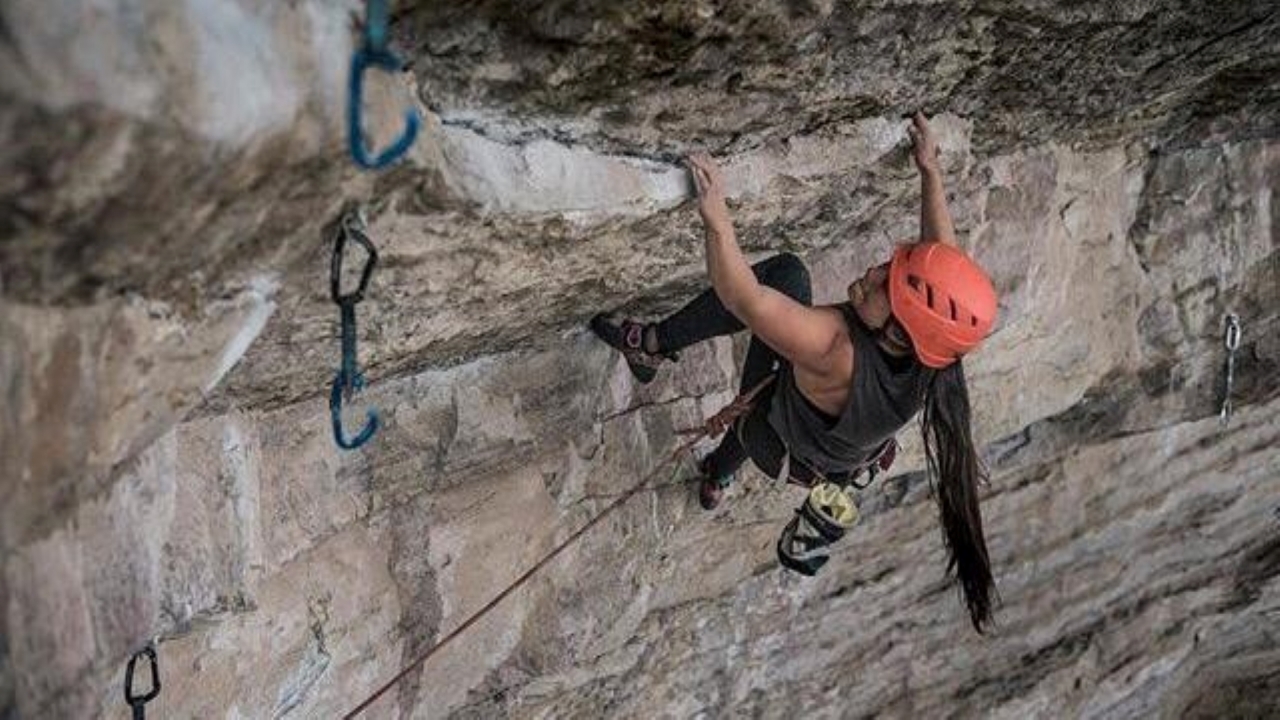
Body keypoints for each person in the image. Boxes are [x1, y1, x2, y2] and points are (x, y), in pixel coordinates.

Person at [590, 112, 998, 632]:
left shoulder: (834, 347)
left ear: (899, 331)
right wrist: (929, 172)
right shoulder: (935, 355)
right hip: (820, 453)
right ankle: (717, 474)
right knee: (767, 410)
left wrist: (716, 216)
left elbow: (745, 298)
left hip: (779, 437)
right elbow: (943, 263)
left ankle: (648, 346)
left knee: (786, 275)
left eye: (884, 285)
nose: (873, 273)